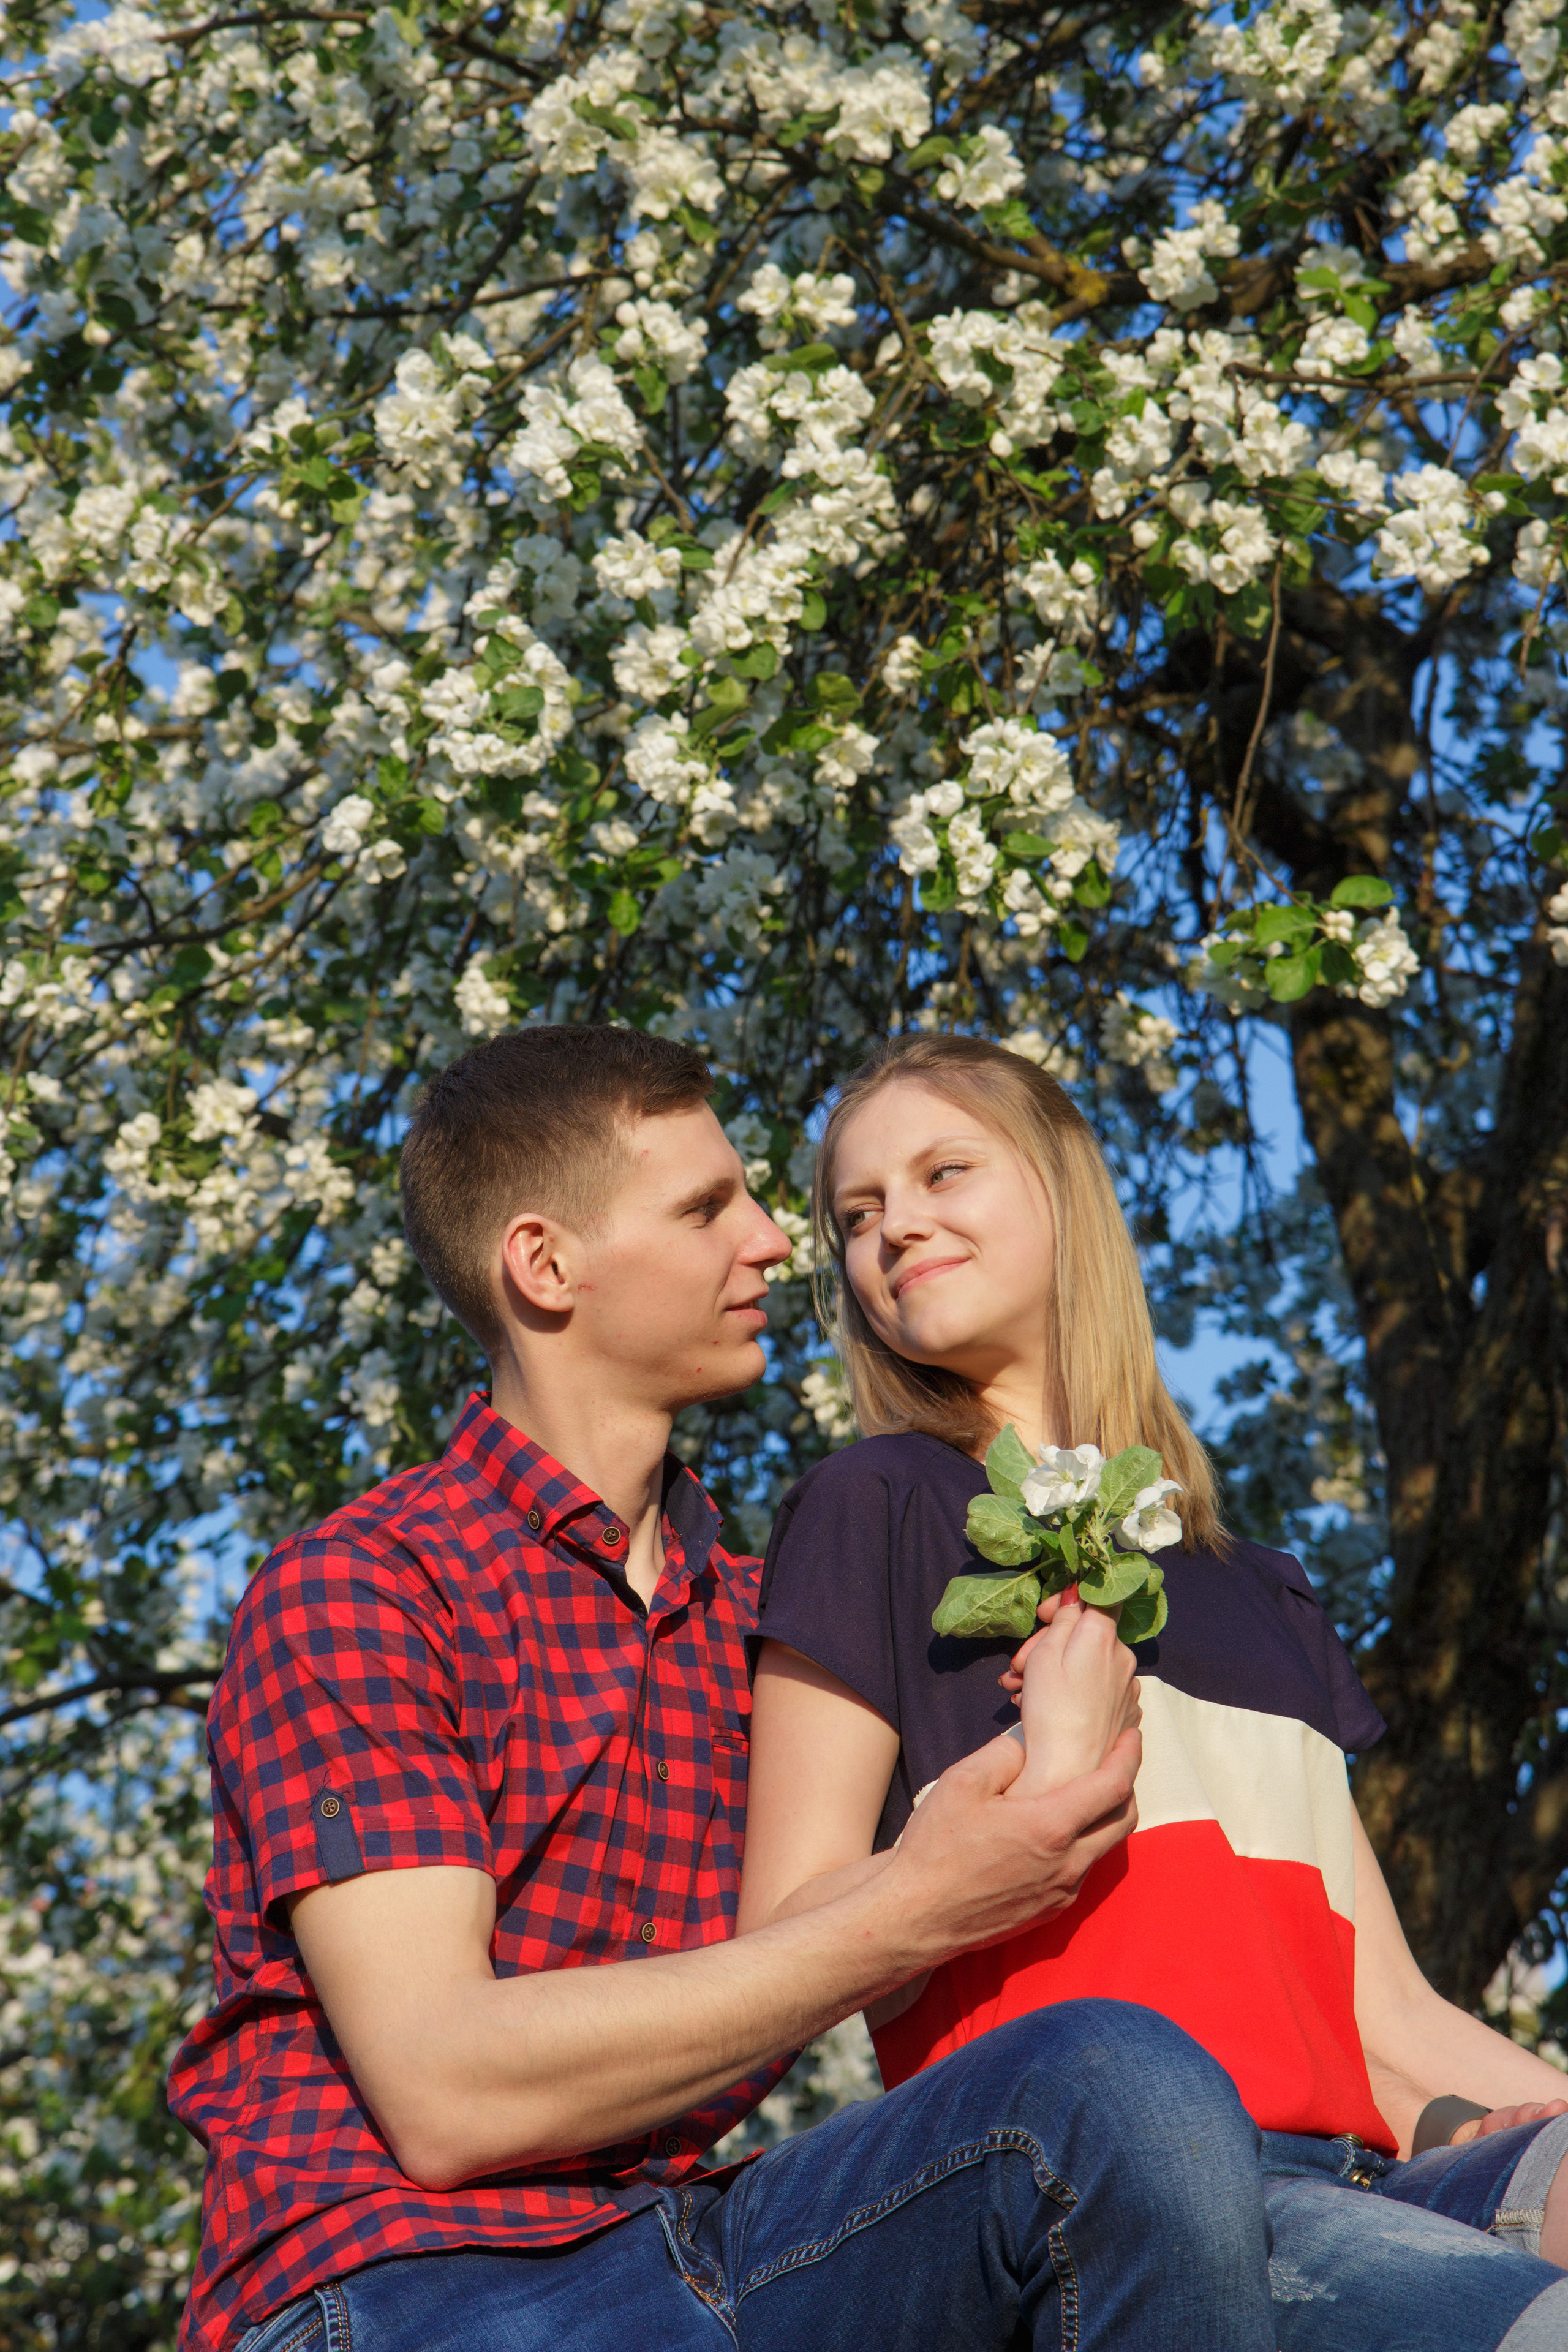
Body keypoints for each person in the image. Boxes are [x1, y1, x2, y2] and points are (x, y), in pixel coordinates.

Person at [168, 1023, 1281, 2352]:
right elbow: (445, 2087)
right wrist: (915, 1904)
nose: (773, 1239)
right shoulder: (365, 1587)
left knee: (1112, 2089)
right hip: (400, 2284)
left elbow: (916, 1894)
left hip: (691, 2248)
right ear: (544, 1264)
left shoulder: (760, 1624)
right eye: (708, 1207)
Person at [742, 1030, 1568, 2352]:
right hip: (1140, 2205)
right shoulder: (876, 1509)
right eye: (856, 1214)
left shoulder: (1263, 1589)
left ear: (1063, 1193)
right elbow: (780, 1938)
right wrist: (1036, 1779)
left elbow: (1384, 2017)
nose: (895, 1227)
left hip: (1378, 2174)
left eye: (942, 1172)